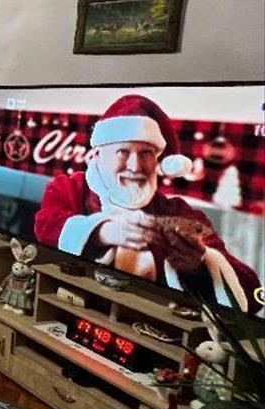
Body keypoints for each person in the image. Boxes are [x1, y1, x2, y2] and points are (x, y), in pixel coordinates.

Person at [35, 94, 260, 313]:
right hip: (71, 306)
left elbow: (252, 293)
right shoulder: (69, 188)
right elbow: (45, 227)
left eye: (145, 153)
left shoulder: (179, 213)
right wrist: (102, 232)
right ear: (97, 155)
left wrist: (199, 266)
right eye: (123, 151)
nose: (135, 166)